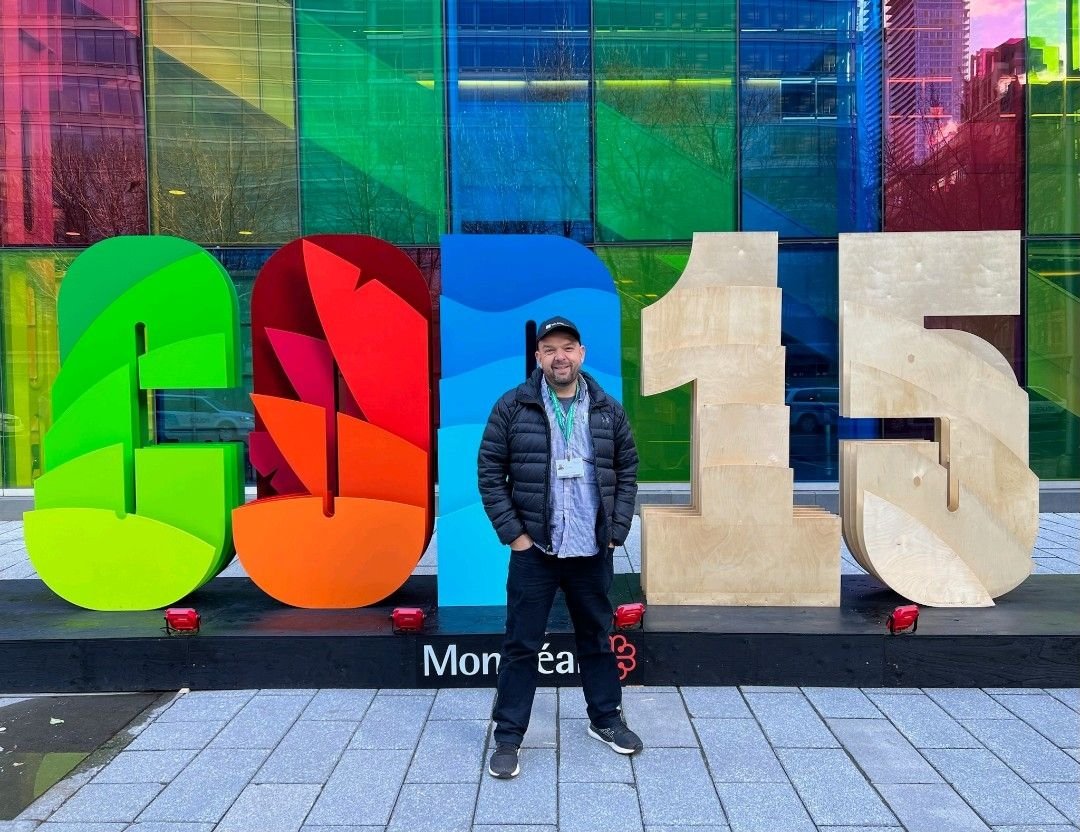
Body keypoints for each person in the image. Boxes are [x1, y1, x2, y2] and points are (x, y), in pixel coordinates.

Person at [478, 315, 643, 779]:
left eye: (568, 347)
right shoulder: (513, 407)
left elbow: (627, 470)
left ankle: (606, 719)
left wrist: (615, 530)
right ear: (538, 358)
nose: (560, 356)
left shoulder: (607, 409)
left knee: (596, 637)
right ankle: (508, 736)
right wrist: (516, 536)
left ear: (582, 353)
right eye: (550, 349)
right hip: (537, 553)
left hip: (591, 549)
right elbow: (489, 472)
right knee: (521, 645)